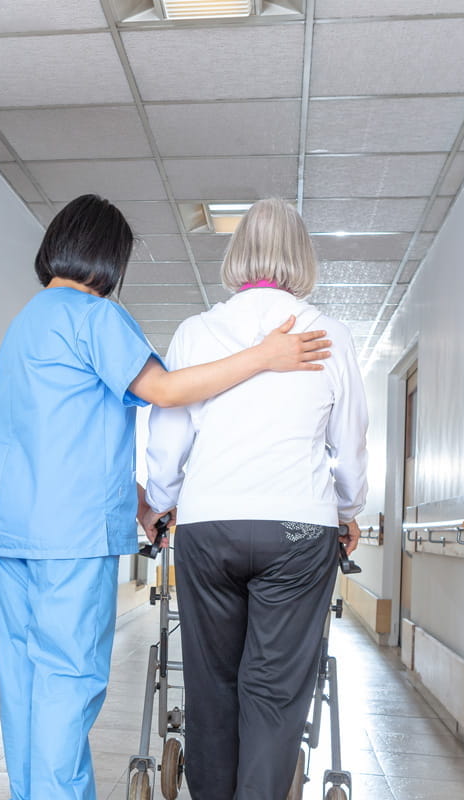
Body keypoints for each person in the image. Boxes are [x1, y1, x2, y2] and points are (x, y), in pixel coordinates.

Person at [0, 194, 333, 800]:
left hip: (8, 529)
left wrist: (143, 501)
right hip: (70, 540)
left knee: (24, 686)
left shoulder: (26, 323)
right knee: (67, 683)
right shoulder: (94, 316)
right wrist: (265, 356)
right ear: (109, 259)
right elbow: (166, 391)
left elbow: (55, 439)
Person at [142, 197, 369, 800]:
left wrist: (162, 500)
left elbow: (168, 435)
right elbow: (349, 443)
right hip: (299, 528)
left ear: (238, 254)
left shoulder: (196, 331)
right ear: (303, 257)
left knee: (212, 683)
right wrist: (348, 511)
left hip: (209, 524)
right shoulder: (331, 334)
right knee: (273, 692)